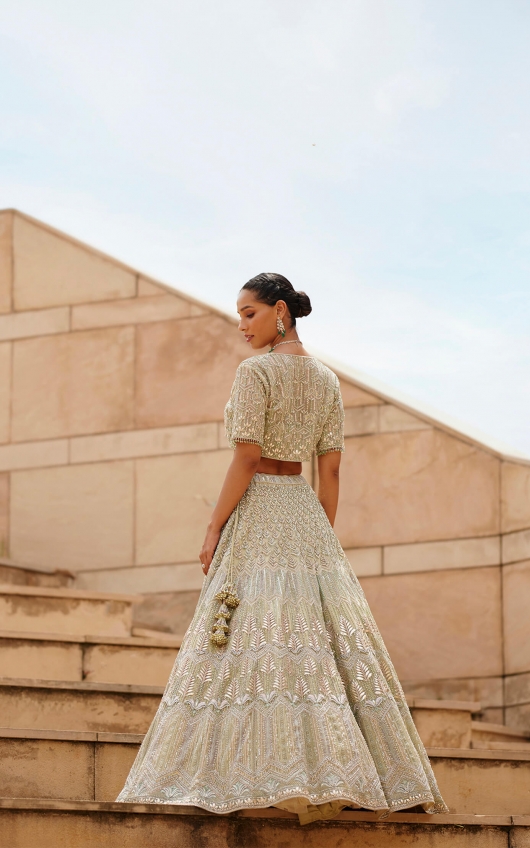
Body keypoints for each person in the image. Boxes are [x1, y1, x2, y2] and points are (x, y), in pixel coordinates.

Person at [117, 272, 447, 824]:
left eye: (249, 313)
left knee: (249, 634)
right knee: (309, 638)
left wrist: (212, 527)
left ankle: (260, 774)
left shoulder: (256, 373)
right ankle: (345, 773)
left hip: (262, 507)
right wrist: (321, 538)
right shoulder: (328, 381)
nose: (241, 325)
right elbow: (332, 469)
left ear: (279, 312)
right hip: (304, 510)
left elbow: (246, 459)